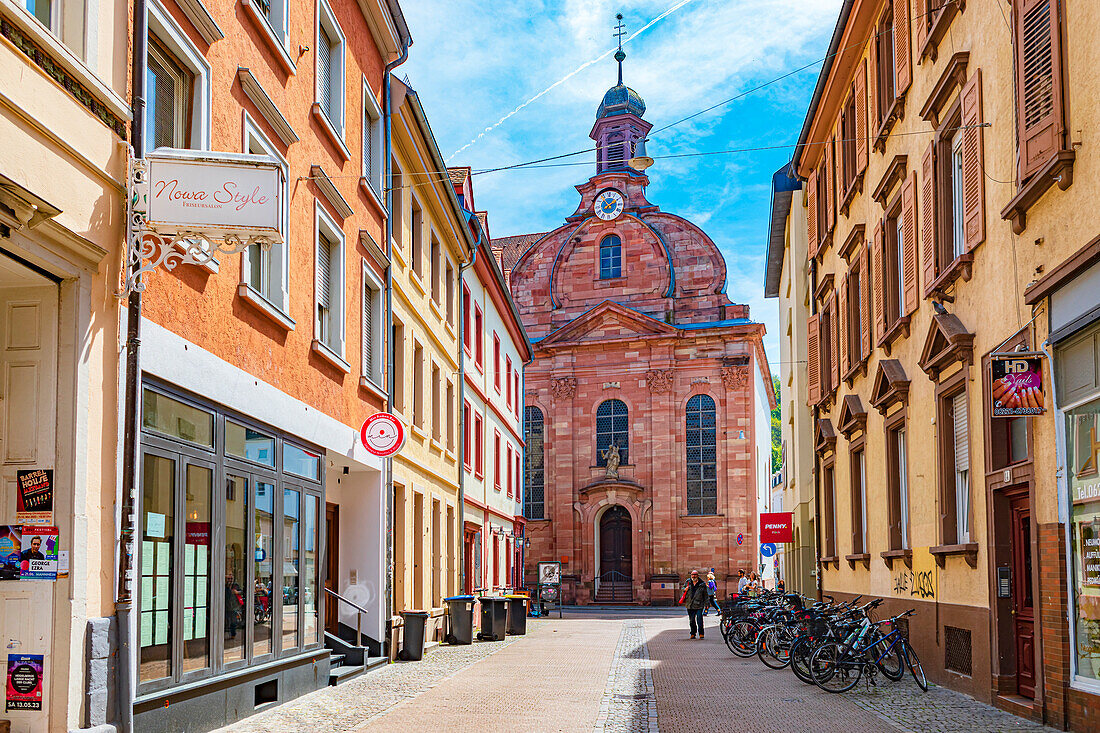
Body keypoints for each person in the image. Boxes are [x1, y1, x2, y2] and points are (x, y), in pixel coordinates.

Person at [683, 569, 709, 639]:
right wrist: (684, 589)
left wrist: (707, 604)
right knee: (691, 621)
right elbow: (683, 588)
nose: (693, 576)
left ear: (697, 575)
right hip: (690, 604)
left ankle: (701, 633)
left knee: (699, 619)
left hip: (699, 604)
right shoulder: (688, 582)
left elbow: (705, 595)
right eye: (692, 575)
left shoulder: (702, 584)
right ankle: (693, 633)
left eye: (695, 575)